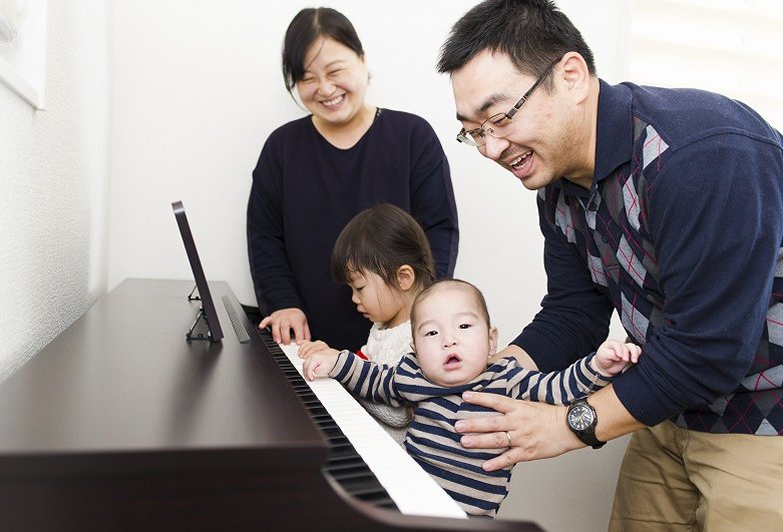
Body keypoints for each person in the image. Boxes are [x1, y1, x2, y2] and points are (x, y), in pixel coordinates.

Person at [435, 0, 783, 529]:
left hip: (766, 423)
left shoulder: (701, 156)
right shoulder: (555, 186)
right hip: (666, 404)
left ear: (571, 75)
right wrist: (491, 376)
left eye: (500, 117)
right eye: (473, 130)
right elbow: (574, 313)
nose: (491, 147)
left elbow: (708, 349)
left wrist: (566, 424)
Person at [303, 279, 642, 517]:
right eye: (432, 333)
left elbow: (558, 388)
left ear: (492, 341)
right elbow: (374, 379)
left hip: (472, 517)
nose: (449, 340)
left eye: (464, 327)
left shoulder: (506, 378)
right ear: (416, 350)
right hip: (408, 497)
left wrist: (598, 365)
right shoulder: (414, 374)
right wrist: (336, 361)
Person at [247, 7, 458, 351]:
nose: (325, 88)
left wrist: (417, 315)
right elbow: (264, 237)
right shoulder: (281, 148)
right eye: (307, 77)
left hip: (398, 343)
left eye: (335, 70)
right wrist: (283, 302)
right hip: (308, 345)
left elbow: (439, 230)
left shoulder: (412, 136)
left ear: (362, 60)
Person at [298, 203, 437, 444]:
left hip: (394, 459)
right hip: (367, 440)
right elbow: (365, 361)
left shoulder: (420, 339)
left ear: (403, 277)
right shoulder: (383, 326)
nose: (354, 298)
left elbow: (397, 414)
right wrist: (332, 356)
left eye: (360, 287)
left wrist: (340, 369)